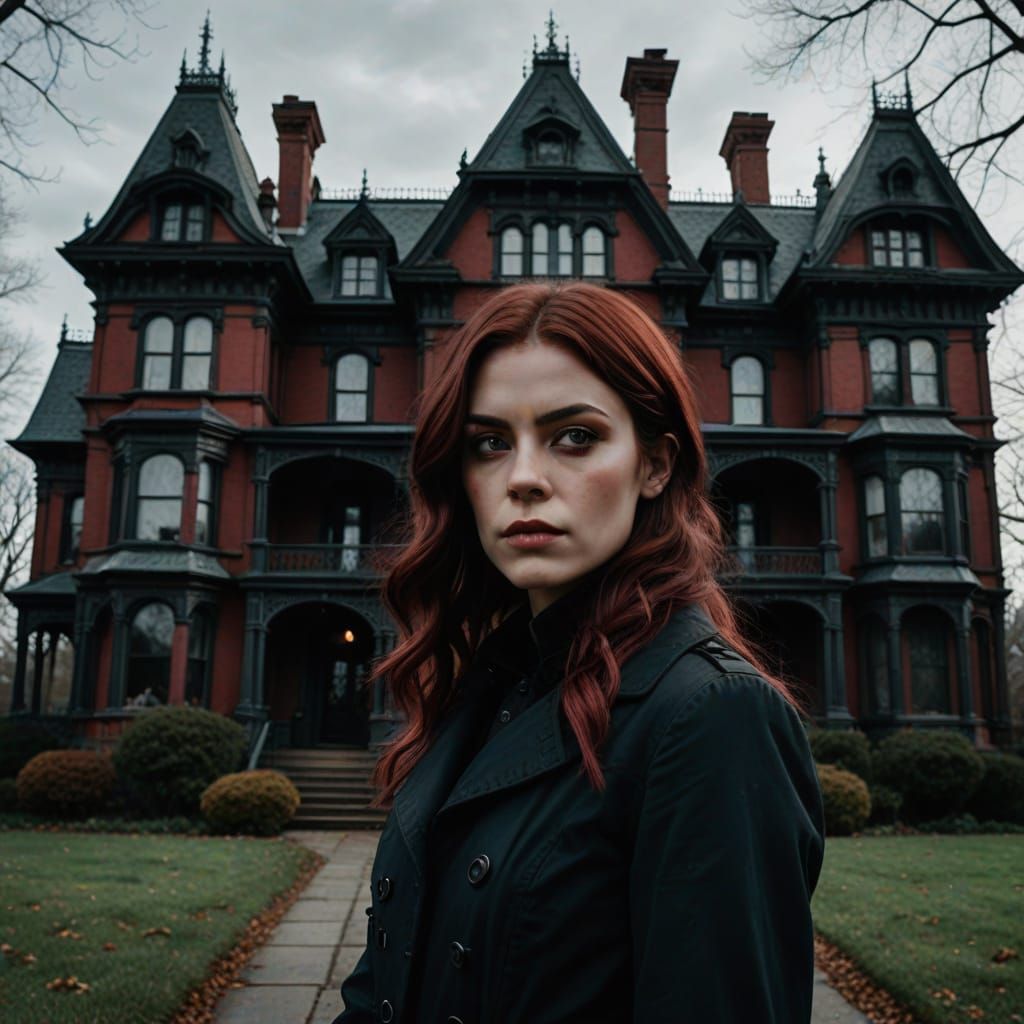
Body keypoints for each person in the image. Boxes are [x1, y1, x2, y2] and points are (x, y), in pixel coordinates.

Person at [332, 282, 825, 1024]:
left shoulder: (711, 717)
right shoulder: (486, 691)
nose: (524, 478)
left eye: (575, 437)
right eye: (490, 443)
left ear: (655, 464)